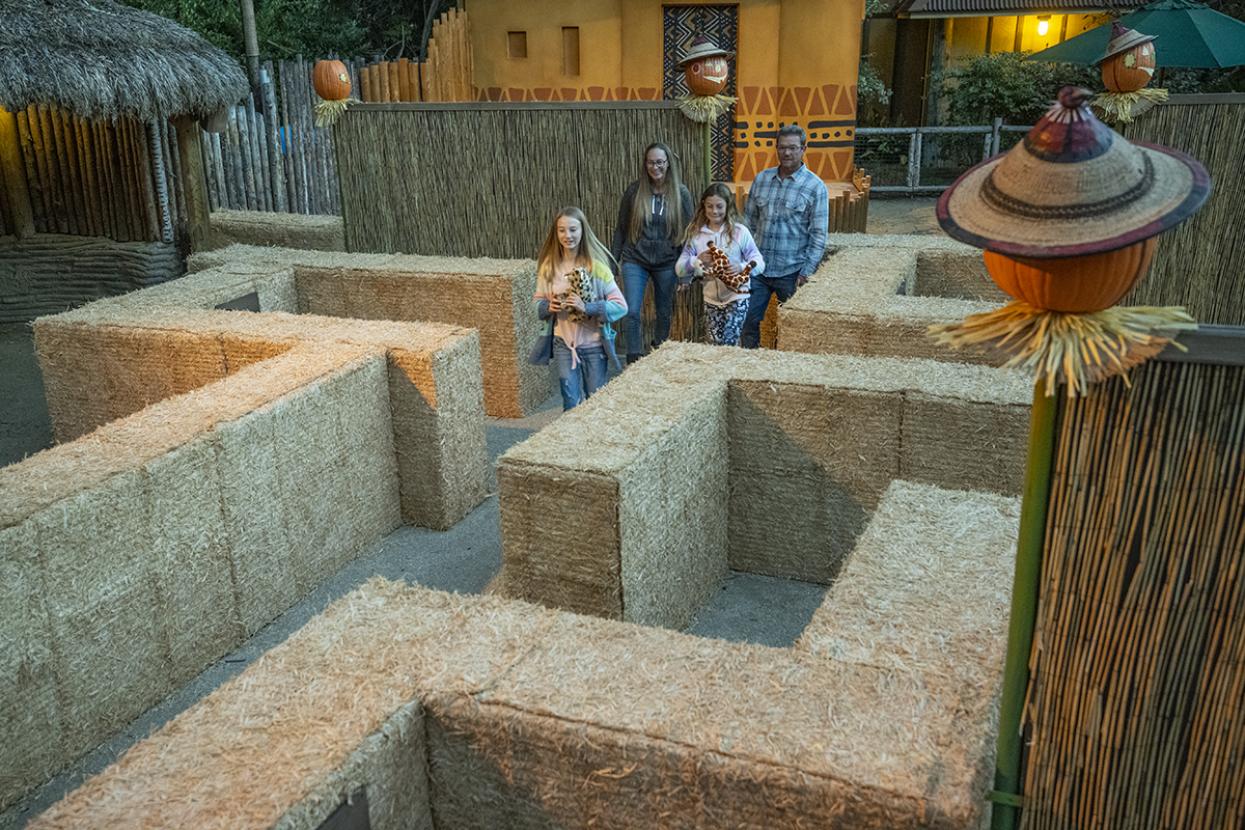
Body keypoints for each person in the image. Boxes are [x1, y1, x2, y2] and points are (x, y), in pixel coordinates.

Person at [740, 124, 829, 349]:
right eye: (782, 147)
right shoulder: (761, 179)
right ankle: (749, 361)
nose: (787, 153)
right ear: (776, 148)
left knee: (790, 328)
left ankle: (781, 365)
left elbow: (818, 235)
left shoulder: (815, 187)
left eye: (792, 148)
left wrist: (807, 271)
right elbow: (748, 223)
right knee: (747, 321)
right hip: (758, 269)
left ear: (803, 149)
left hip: (792, 272)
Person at [532, 207, 627, 411]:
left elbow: (621, 306)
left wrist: (588, 307)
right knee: (570, 400)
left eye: (573, 229)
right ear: (556, 233)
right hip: (563, 343)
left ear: (583, 230)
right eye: (562, 230)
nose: (568, 235)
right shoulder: (549, 268)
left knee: (595, 401)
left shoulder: (597, 268)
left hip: (594, 344)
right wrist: (548, 307)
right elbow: (537, 303)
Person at [612, 142, 694, 365]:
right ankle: (633, 359)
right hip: (635, 258)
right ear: (645, 164)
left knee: (664, 311)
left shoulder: (681, 193)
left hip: (667, 261)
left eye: (659, 162)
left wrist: (686, 273)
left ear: (668, 164)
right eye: (650, 162)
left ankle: (658, 353)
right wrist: (613, 263)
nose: (655, 167)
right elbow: (621, 228)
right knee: (631, 311)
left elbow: (689, 234)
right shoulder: (634, 191)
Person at [675, 182, 765, 347]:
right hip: (711, 300)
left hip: (737, 297)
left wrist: (742, 267)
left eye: (719, 206)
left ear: (728, 206)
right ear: (704, 206)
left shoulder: (740, 232)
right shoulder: (696, 235)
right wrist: (696, 261)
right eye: (710, 206)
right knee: (714, 345)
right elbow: (680, 269)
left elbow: (759, 262)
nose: (714, 211)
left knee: (729, 342)